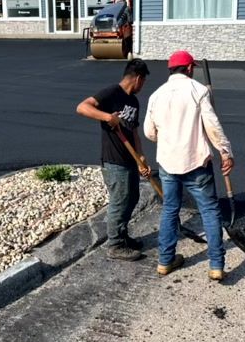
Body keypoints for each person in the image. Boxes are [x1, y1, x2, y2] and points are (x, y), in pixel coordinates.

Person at [143, 50, 234, 281]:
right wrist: (225, 152)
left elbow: (149, 132)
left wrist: (168, 139)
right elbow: (212, 126)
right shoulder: (198, 90)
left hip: (167, 163)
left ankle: (165, 261)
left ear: (170, 69)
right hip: (196, 163)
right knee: (210, 211)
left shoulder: (156, 95)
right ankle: (216, 266)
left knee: (170, 210)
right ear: (190, 68)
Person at [76, 59, 151, 261]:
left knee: (132, 198)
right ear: (137, 78)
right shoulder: (111, 93)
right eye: (143, 81)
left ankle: (122, 234)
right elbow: (82, 107)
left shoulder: (134, 102)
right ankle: (115, 244)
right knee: (120, 201)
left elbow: (134, 131)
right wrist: (107, 117)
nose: (142, 86)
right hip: (114, 160)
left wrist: (141, 156)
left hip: (129, 158)